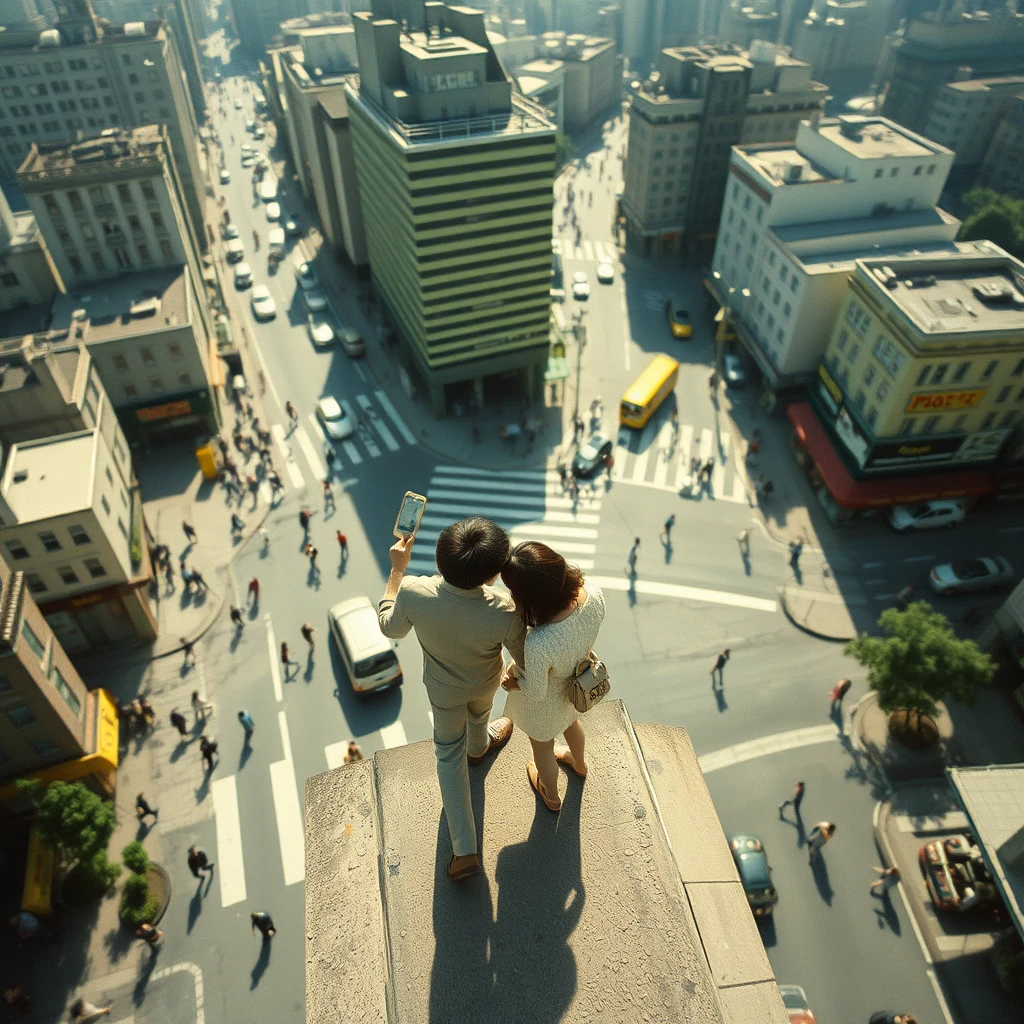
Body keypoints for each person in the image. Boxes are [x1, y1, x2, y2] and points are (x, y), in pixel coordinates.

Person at [378, 518, 526, 882]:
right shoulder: (505, 609)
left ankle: (465, 851)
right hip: (486, 680)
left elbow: (389, 626)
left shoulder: (414, 592)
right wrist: (512, 670)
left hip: (443, 690)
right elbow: (523, 657)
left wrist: (397, 571)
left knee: (448, 754)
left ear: (441, 556)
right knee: (480, 714)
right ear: (492, 575)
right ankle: (480, 747)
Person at [500, 543, 605, 813]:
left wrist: (513, 683)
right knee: (572, 725)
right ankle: (579, 765)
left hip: (547, 706)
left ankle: (552, 797)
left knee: (543, 749)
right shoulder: (592, 592)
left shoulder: (539, 642)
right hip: (577, 685)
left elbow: (536, 692)